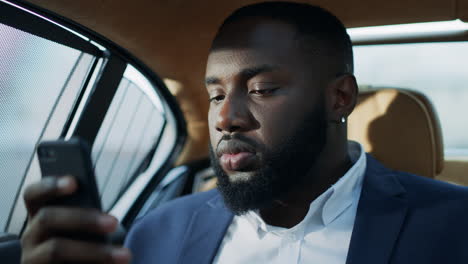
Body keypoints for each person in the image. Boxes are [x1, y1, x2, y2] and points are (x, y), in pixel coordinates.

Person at [20, 2, 468, 264]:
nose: (225, 118)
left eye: (262, 89)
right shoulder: (157, 233)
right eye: (215, 95)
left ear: (339, 98)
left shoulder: (455, 226)